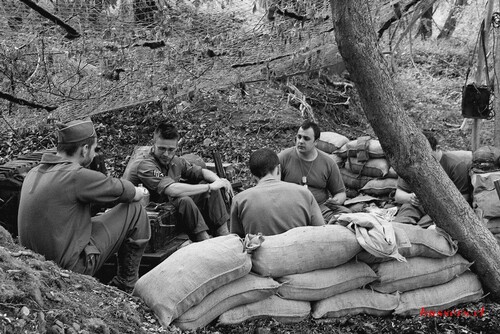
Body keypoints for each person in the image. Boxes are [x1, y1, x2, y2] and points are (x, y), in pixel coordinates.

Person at [18, 119, 150, 293]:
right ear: (85, 149)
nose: (95, 155)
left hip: (36, 263)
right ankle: (127, 286)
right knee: (134, 210)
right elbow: (123, 190)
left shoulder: (33, 173)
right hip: (70, 268)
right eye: (94, 149)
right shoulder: (75, 175)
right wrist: (140, 192)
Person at [123, 122, 232, 241]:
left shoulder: (175, 160)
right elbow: (172, 190)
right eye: (162, 149)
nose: (166, 154)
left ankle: (223, 235)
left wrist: (219, 181)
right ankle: (204, 240)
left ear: (176, 148)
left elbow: (202, 172)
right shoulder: (145, 164)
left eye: (171, 150)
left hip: (169, 209)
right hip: (146, 214)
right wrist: (210, 187)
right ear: (153, 145)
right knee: (185, 200)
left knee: (210, 189)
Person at [230, 148, 324, 237]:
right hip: (300, 252)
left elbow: (237, 241)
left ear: (252, 176)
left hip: (260, 253)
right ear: (278, 168)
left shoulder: (239, 200)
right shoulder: (304, 193)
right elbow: (321, 232)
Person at [393, 131, 472, 227]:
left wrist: (442, 202)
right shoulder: (412, 163)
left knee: (428, 228)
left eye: (426, 154)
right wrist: (410, 198)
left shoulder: (455, 165)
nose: (422, 158)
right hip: (417, 206)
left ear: (437, 149)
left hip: (443, 208)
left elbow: (464, 199)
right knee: (400, 224)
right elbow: (399, 195)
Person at [278, 120, 350, 223]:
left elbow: (340, 193)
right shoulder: (284, 158)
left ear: (316, 142)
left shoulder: (328, 163)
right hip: (291, 209)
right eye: (299, 137)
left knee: (347, 219)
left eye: (306, 138)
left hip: (320, 209)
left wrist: (335, 201)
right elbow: (270, 185)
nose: (301, 141)